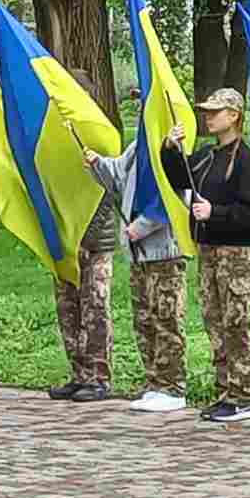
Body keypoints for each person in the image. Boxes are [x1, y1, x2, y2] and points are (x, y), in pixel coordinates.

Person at [162, 87, 250, 423]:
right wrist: (171, 150)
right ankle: (225, 391)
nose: (208, 116)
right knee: (215, 322)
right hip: (209, 250)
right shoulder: (208, 156)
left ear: (234, 115)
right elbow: (180, 176)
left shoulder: (247, 161)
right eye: (206, 110)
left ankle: (245, 396)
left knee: (237, 322)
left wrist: (216, 213)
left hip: (237, 253)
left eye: (215, 111)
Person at [84, 137, 188, 414]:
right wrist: (97, 164)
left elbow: (173, 194)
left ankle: (173, 386)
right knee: (144, 319)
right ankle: (154, 382)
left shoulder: (171, 146)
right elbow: (117, 175)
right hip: (137, 254)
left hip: (163, 252)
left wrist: (143, 226)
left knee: (166, 319)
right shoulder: (138, 144)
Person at [49, 70, 116, 403]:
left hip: (96, 241)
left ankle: (99, 377)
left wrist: (84, 230)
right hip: (64, 241)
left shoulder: (101, 135)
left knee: (95, 308)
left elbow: (110, 191)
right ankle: (78, 374)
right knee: (68, 308)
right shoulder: (55, 141)